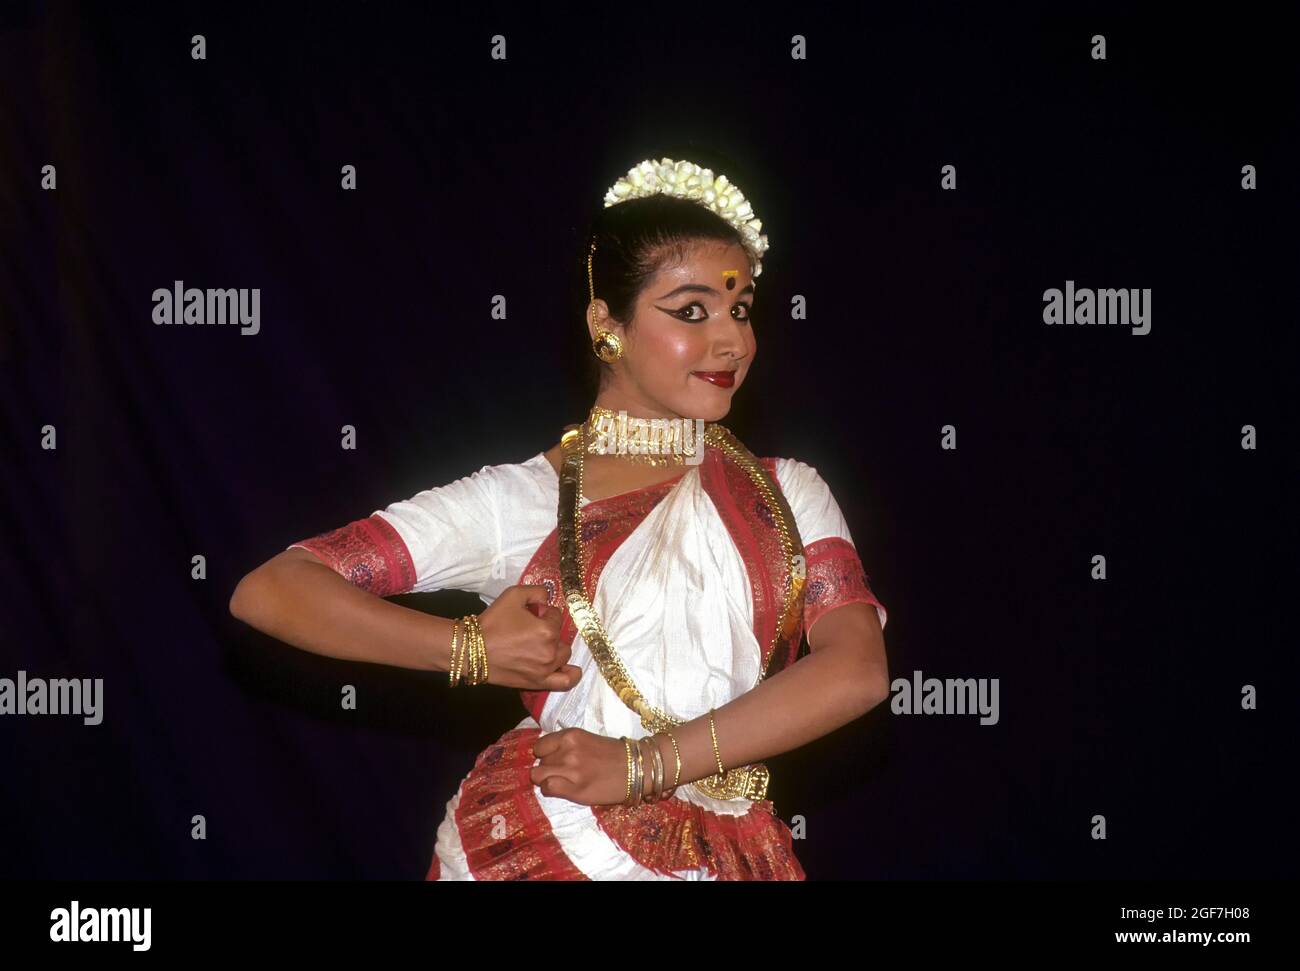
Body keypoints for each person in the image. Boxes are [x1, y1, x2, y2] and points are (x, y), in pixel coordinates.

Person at [229, 157, 890, 880]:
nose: (732, 340)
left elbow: (855, 670)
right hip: (559, 844)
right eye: (691, 311)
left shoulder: (787, 494)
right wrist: (468, 649)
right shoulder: (521, 503)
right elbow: (274, 589)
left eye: (740, 308)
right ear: (606, 323)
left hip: (732, 851)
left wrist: (643, 765)